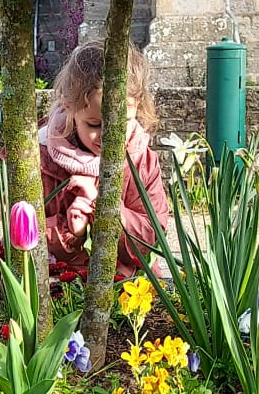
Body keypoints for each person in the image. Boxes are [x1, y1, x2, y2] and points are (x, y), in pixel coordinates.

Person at [39, 41, 170, 276]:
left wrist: (105, 206)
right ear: (69, 107)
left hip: (129, 287)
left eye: (122, 123)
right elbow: (20, 233)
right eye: (94, 124)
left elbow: (152, 238)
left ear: (138, 105)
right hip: (60, 286)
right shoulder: (40, 157)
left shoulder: (142, 161)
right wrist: (69, 232)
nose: (109, 136)